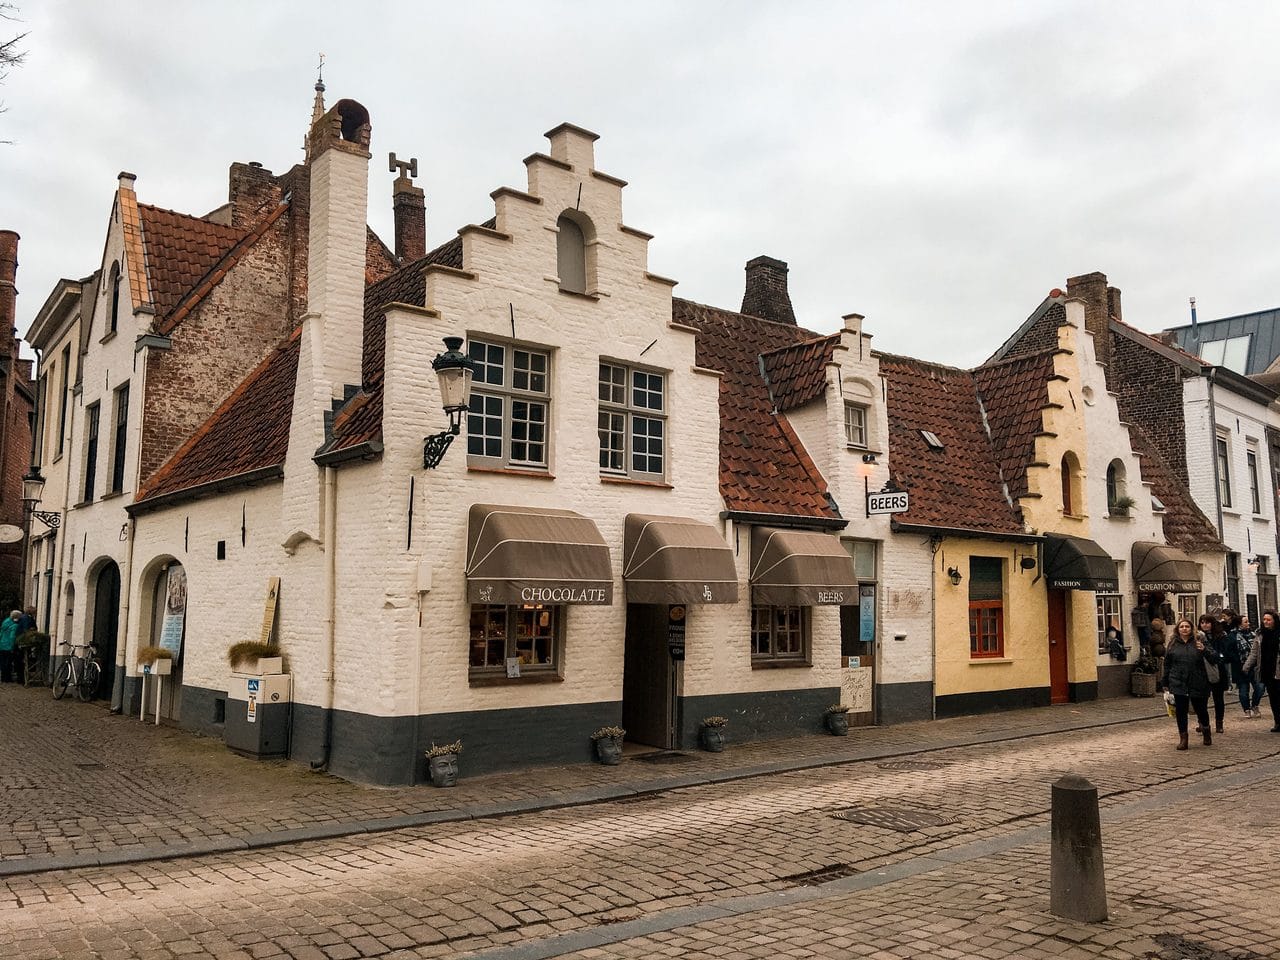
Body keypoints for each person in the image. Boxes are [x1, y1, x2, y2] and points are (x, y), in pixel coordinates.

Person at [1164, 617, 1215, 749]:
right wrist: (1165, 682)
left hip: (1198, 680)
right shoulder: (1173, 644)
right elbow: (1167, 664)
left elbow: (1214, 658)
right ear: (1178, 629)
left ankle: (1206, 731)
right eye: (1182, 627)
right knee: (1181, 711)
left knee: (1201, 709)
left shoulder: (1199, 642)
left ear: (1192, 629)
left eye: (1187, 626)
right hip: (1178, 681)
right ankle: (1183, 738)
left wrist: (1204, 650)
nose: (1184, 629)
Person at [1199, 613, 1231, 734]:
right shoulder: (1197, 636)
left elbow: (1223, 653)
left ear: (1212, 623)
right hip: (1202, 671)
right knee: (1201, 699)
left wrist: (1219, 658)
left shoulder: (1220, 636)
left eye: (1207, 622)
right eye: (1202, 622)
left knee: (1218, 699)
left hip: (1217, 670)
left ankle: (1219, 723)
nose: (1204, 625)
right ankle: (1202, 723)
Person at [1254, 609, 1280, 732]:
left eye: (1268, 620)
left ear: (1274, 621)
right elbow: (1254, 653)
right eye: (1264, 619)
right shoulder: (1260, 634)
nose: (1266, 622)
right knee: (1273, 698)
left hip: (1278, 669)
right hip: (1267, 670)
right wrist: (1246, 666)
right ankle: (1278, 722)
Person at [1236, 615, 1264, 718]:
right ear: (1239, 624)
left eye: (1248, 621)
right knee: (1243, 691)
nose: (1248, 624)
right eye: (1245, 622)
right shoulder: (1234, 636)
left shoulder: (1254, 635)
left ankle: (1255, 705)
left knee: (1260, 688)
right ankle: (1246, 709)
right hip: (1241, 667)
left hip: (1255, 666)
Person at [0, 610, 20, 684]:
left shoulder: (5, 622)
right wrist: (12, 647)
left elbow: (1, 633)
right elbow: (12, 637)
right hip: (8, 646)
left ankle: (2, 677)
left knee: (2, 662)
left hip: (2, 644)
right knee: (8, 663)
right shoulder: (14, 625)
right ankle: (7, 678)